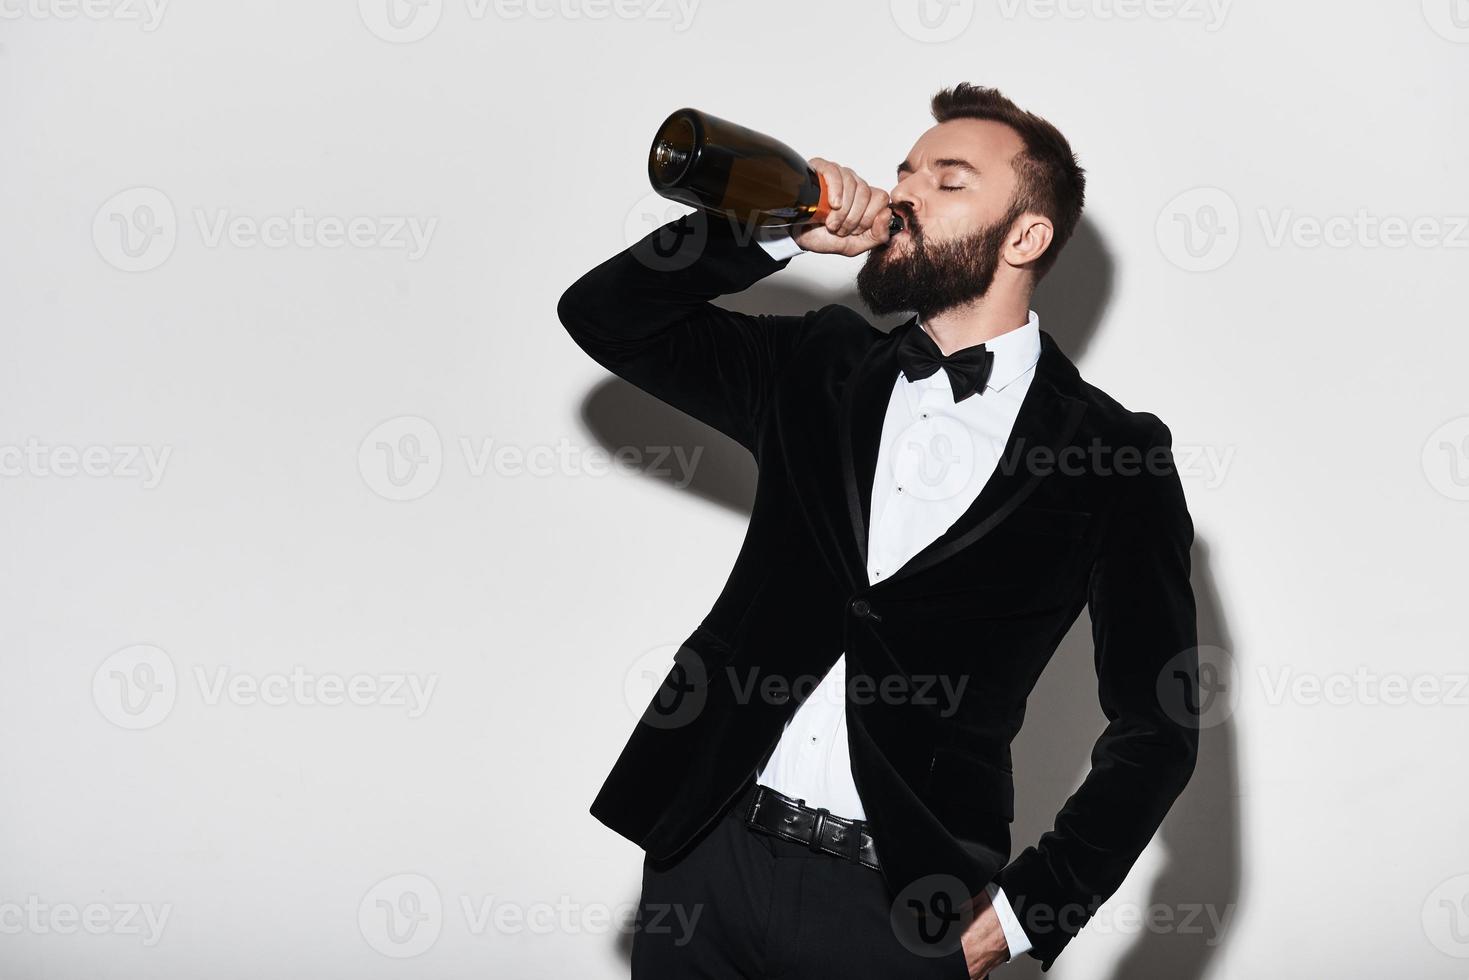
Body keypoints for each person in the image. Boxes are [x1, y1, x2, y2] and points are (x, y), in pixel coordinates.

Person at [557, 83, 1200, 978]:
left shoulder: (1111, 454)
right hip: (705, 861)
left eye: (947, 180)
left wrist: (1019, 916)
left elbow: (1156, 727)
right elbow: (604, 317)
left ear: (1024, 236)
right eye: (903, 169)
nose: (902, 194)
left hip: (897, 914)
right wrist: (771, 233)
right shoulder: (818, 365)